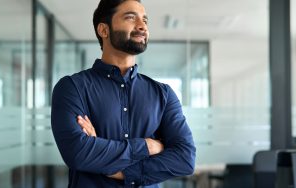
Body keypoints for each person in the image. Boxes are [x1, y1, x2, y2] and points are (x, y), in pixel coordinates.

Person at [51, 0, 196, 187]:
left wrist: (119, 170)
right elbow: (78, 153)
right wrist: (149, 146)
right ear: (104, 30)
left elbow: (185, 159)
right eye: (130, 17)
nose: (142, 26)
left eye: (145, 20)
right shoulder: (72, 87)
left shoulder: (163, 94)